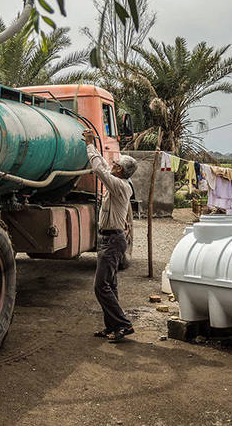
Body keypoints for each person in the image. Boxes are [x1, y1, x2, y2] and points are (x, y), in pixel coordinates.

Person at [82, 129, 138, 343]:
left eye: (116, 165)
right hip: (110, 239)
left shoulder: (119, 185)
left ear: (121, 170)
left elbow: (99, 169)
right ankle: (112, 327)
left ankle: (123, 324)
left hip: (112, 241)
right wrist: (93, 146)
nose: (112, 166)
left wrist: (89, 145)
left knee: (100, 286)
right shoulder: (119, 183)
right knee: (110, 285)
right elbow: (104, 166)